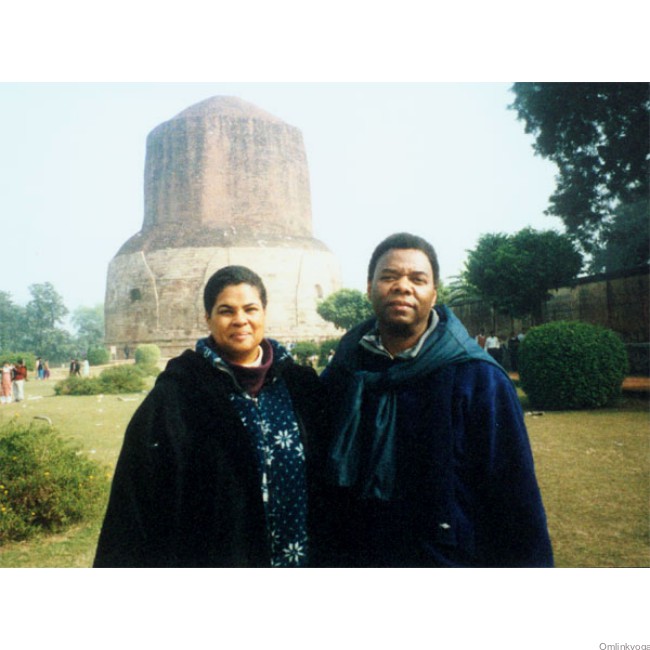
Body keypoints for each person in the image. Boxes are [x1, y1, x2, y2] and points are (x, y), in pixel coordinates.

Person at [319, 232, 553, 567]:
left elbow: (516, 496)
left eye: (417, 279)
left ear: (434, 294)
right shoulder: (345, 372)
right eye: (389, 277)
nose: (403, 287)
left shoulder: (478, 379)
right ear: (369, 287)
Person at [94, 265, 327, 567]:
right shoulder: (177, 396)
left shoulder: (300, 387)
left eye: (250, 309)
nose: (240, 320)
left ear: (264, 314)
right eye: (226, 311)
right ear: (208, 318)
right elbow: (135, 500)